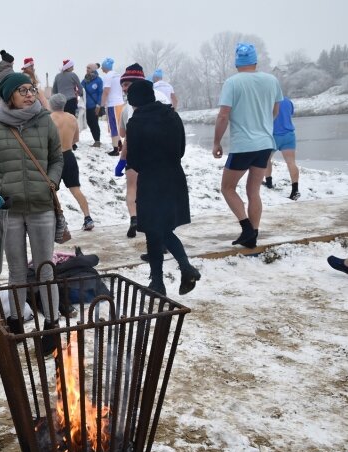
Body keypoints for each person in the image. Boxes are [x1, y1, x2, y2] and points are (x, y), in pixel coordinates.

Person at [0, 72, 63, 353]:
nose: (29, 94)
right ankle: (15, 325)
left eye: (31, 89)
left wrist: (51, 181)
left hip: (41, 208)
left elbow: (56, 157)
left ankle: (51, 327)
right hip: (11, 211)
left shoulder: (45, 121)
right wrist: (0, 186)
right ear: (8, 95)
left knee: (45, 269)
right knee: (16, 272)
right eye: (22, 90)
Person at [125, 80, 200, 296]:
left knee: (155, 230)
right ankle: (166, 278)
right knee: (162, 229)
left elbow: (135, 160)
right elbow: (181, 149)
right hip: (174, 177)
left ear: (134, 101)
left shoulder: (136, 123)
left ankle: (168, 277)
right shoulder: (172, 116)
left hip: (151, 181)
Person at [213, 43, 283, 249]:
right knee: (254, 191)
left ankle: (246, 228)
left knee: (227, 188)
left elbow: (223, 114)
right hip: (265, 143)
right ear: (255, 61)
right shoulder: (272, 80)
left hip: (243, 145)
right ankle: (253, 234)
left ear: (237, 62)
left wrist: (217, 141)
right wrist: (262, 125)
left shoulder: (232, 83)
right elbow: (275, 110)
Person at [115, 63, 170, 239]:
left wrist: (122, 159)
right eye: (122, 84)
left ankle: (135, 218)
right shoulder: (161, 98)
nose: (124, 88)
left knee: (132, 188)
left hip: (135, 155)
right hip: (158, 155)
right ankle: (158, 228)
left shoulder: (128, 107)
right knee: (155, 192)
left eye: (126, 84)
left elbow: (125, 135)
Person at [49, 93, 94, 231]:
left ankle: (59, 219)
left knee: (51, 191)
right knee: (75, 189)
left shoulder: (49, 119)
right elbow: (76, 139)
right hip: (69, 155)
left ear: (51, 105)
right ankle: (88, 217)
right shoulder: (72, 118)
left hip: (53, 158)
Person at [264, 96, 300, 200]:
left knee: (266, 159)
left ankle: (269, 183)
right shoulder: (288, 101)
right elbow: (289, 114)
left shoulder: (268, 101)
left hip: (273, 136)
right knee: (291, 162)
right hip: (289, 135)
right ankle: (295, 190)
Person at [100, 57, 124, 156]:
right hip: (120, 103)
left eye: (102, 66)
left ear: (105, 67)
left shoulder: (108, 76)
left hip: (112, 104)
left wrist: (102, 105)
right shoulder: (118, 75)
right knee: (118, 125)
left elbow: (106, 91)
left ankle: (115, 149)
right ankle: (120, 145)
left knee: (113, 126)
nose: (101, 68)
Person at [81, 62, 103, 147]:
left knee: (94, 123)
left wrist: (98, 105)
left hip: (94, 106)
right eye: (86, 68)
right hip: (86, 106)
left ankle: (97, 141)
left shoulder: (98, 80)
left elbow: (100, 93)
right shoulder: (85, 79)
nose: (87, 69)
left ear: (93, 69)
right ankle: (96, 139)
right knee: (89, 122)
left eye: (89, 68)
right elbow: (80, 88)